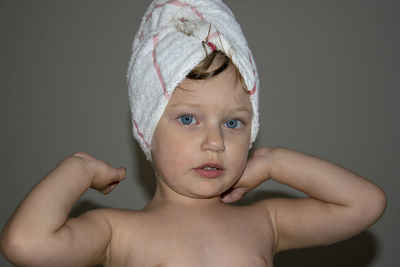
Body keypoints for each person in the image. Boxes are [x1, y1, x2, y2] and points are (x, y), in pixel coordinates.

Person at [0, 0, 386, 266]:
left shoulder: (265, 222)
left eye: (233, 123)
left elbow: (365, 204)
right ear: (146, 129)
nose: (215, 142)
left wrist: (273, 161)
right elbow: (25, 244)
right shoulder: (117, 232)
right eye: (188, 119)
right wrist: (80, 169)